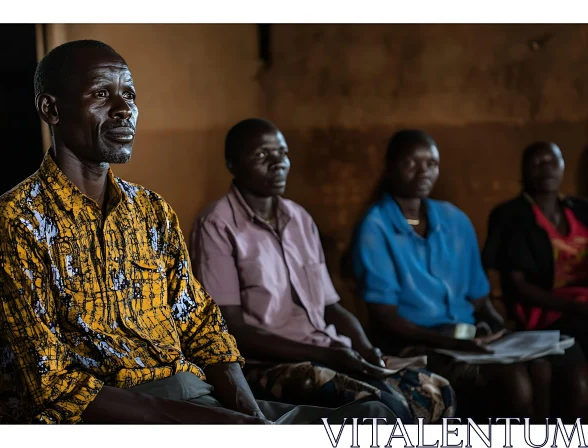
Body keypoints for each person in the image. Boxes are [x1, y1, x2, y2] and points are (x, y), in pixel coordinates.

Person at [0, 40, 394, 424]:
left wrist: (252, 418)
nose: (123, 109)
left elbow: (202, 326)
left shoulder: (151, 212)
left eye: (129, 95)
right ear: (51, 109)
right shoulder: (12, 225)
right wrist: (210, 424)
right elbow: (51, 385)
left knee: (375, 419)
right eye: (101, 94)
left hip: (194, 399)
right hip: (111, 418)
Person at [190, 118, 455, 423]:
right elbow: (230, 328)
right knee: (380, 406)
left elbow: (330, 306)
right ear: (232, 164)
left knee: (438, 390)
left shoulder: (299, 218)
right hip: (270, 364)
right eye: (263, 156)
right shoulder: (217, 224)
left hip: (328, 350)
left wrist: (367, 350)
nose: (278, 163)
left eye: (283, 153)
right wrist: (327, 356)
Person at [350, 129, 555, 421]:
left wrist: (503, 334)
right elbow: (386, 316)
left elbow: (480, 297)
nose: (423, 172)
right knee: (515, 384)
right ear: (390, 167)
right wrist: (449, 343)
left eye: (431, 164)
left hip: (465, 337)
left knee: (542, 366)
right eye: (411, 163)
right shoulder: (375, 227)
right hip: (414, 343)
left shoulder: (454, 220)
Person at [482, 141, 588, 419]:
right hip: (544, 312)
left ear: (563, 166)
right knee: (577, 381)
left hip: (582, 306)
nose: (546, 169)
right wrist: (576, 308)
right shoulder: (512, 216)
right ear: (523, 171)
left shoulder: (580, 210)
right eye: (537, 163)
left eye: (553, 161)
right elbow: (517, 285)